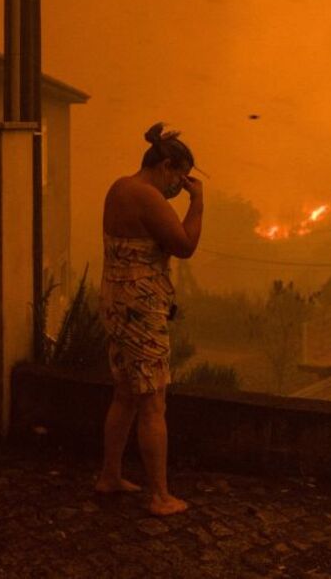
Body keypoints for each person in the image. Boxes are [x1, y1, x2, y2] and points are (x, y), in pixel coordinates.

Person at [94, 122, 203, 516]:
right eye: (181, 176)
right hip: (141, 307)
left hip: (117, 302)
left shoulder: (119, 188)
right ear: (168, 165)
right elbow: (185, 245)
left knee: (124, 392)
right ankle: (160, 496)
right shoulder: (148, 196)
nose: (180, 185)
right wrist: (197, 203)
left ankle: (110, 474)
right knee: (153, 400)